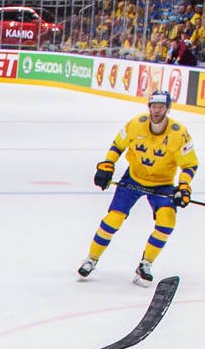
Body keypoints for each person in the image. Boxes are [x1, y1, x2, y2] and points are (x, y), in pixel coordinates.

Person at [78, 89, 198, 286]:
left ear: (167, 108)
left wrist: (183, 186)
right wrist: (108, 164)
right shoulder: (136, 124)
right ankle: (91, 259)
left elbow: (190, 164)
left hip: (163, 185)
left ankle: (145, 264)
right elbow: (118, 145)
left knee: (167, 222)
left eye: (161, 106)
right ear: (149, 107)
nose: (157, 110)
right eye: (154, 106)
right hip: (133, 179)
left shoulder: (179, 133)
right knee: (113, 219)